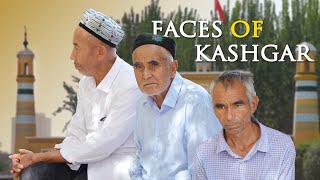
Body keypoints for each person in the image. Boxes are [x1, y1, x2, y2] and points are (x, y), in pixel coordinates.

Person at [10, 8, 141, 180]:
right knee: (32, 173)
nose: (72, 56)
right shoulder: (86, 83)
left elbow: (101, 145)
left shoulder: (131, 85)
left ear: (100, 52)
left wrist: (38, 156)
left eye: (77, 48)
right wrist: (31, 161)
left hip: (116, 169)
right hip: (83, 163)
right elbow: (76, 134)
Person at [129, 33, 222, 179]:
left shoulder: (195, 101)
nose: (145, 75)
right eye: (139, 66)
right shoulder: (142, 103)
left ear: (173, 68)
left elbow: (206, 170)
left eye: (154, 65)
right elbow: (139, 160)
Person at [194, 71, 296, 180]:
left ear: (253, 104)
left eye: (237, 105)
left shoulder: (282, 146)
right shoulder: (204, 152)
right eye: (221, 107)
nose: (229, 116)